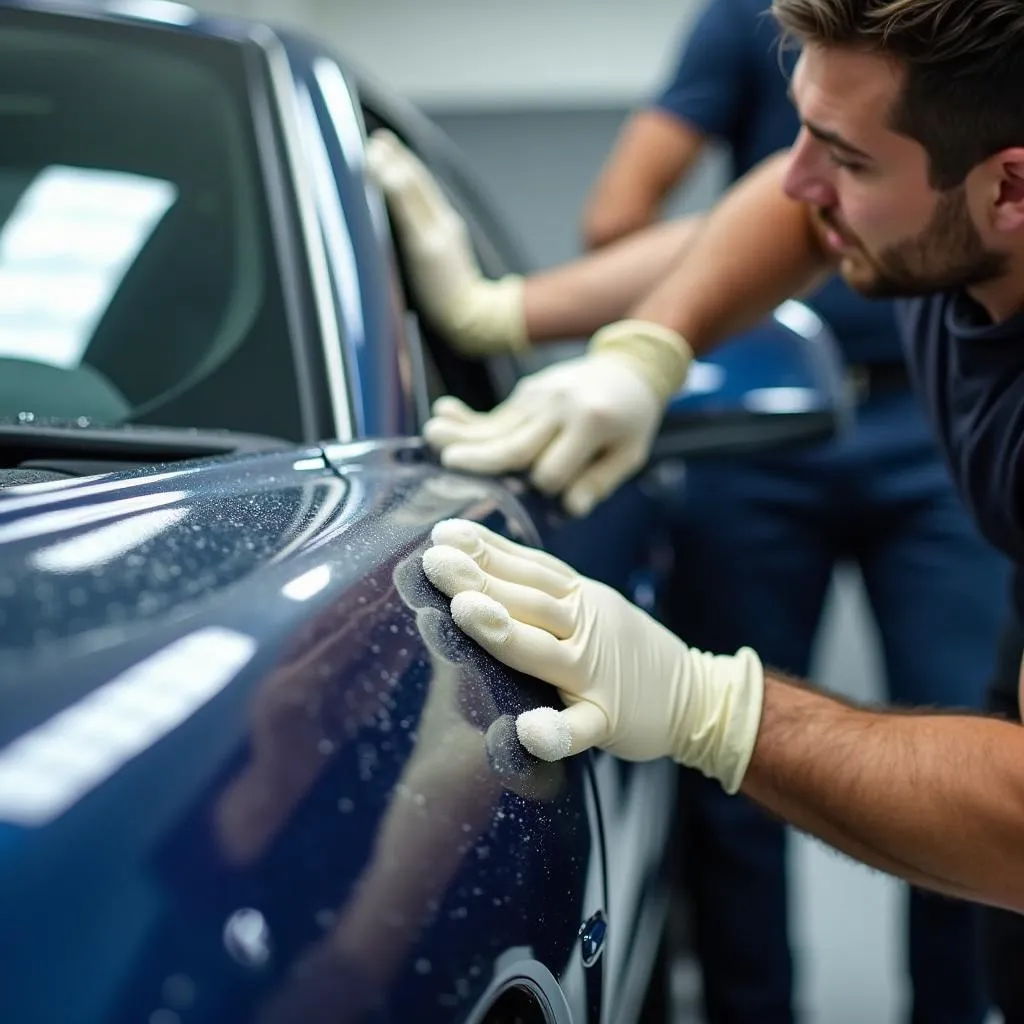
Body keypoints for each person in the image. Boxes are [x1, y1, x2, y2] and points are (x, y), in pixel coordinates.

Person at [367, 0, 1024, 1015]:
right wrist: (627, 344)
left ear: (1010, 187)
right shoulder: (952, 189)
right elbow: (793, 201)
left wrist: (710, 709)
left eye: (846, 159)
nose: (803, 177)